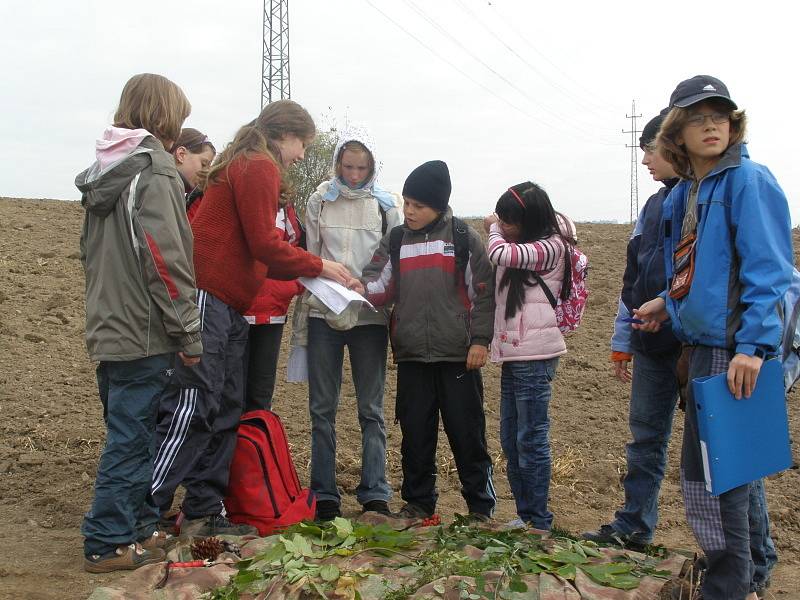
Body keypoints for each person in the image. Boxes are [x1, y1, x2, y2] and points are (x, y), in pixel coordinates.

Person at [151, 100, 352, 537]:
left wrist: (316, 273)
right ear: (286, 135)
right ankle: (144, 509)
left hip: (229, 303)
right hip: (209, 296)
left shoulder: (249, 161)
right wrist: (320, 267)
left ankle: (204, 511)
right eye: (303, 144)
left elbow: (261, 253)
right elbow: (265, 244)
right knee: (195, 406)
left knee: (224, 407)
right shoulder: (258, 165)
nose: (301, 155)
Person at [635, 75, 793, 600]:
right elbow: (699, 271)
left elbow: (770, 272)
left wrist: (753, 348)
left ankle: (732, 585)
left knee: (725, 478)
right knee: (705, 477)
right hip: (700, 348)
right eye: (697, 118)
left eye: (719, 116)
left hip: (735, 351)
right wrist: (669, 306)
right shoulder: (688, 192)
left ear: (733, 124)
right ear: (676, 133)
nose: (711, 126)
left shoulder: (749, 181)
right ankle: (738, 577)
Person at [76, 73, 201, 572]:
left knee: (135, 434)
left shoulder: (106, 169)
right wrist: (188, 331)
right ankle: (106, 542)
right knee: (130, 440)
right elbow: (165, 259)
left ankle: (138, 528)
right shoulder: (155, 172)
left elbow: (90, 256)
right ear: (165, 115)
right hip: (144, 331)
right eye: (180, 118)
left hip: (110, 327)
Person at [355, 160, 496, 521]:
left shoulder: (463, 239)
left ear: (438, 205)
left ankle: (479, 506)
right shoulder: (397, 240)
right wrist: (359, 288)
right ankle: (419, 503)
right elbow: (380, 284)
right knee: (415, 434)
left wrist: (479, 341)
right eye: (406, 203)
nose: (409, 212)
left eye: (418, 205)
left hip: (459, 357)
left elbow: (482, 294)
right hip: (412, 355)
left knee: (467, 434)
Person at [581, 111, 683, 546]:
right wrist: (624, 341)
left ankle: (744, 561)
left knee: (716, 453)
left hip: (698, 347)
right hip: (652, 344)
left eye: (650, 150)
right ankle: (634, 527)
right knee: (644, 440)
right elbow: (632, 279)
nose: (645, 161)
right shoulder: (654, 205)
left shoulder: (706, 200)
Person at [301, 127, 402, 520]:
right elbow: (310, 256)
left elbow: (392, 259)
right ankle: (324, 494)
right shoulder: (319, 200)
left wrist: (371, 289)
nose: (355, 175)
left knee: (371, 407)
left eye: (362, 167)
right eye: (348, 166)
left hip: (369, 315)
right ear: (337, 164)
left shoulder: (386, 205)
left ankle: (375, 491)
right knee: (321, 407)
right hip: (324, 311)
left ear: (372, 166)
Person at [482, 182, 575, 531]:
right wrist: (500, 230)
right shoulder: (522, 242)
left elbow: (500, 254)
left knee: (531, 438)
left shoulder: (551, 246)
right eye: (502, 220)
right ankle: (525, 515)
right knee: (511, 437)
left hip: (536, 356)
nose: (503, 227)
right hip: (514, 353)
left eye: (510, 221)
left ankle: (539, 519)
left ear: (531, 220)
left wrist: (492, 228)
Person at [242, 198, 305, 412]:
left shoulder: (284, 207)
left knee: (261, 391)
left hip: (272, 310)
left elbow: (294, 247)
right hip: (235, 308)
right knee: (230, 390)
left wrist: (288, 286)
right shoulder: (237, 195)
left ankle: (257, 443)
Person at [169, 127, 216, 220]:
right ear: (181, 154)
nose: (206, 172)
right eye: (204, 164)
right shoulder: (163, 189)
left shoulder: (174, 193)